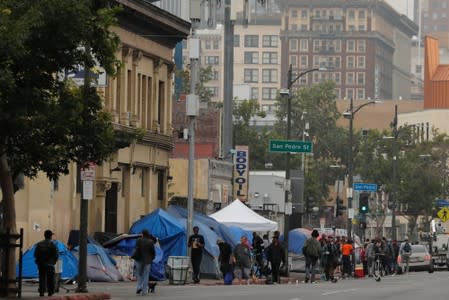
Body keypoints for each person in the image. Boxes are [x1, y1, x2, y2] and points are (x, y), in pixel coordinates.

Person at [34, 230, 59, 297]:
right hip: (50, 264)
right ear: (50, 236)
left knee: (42, 278)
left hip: (41, 264)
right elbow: (56, 255)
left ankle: (41, 292)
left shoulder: (39, 244)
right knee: (50, 278)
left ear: (44, 236)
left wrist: (39, 261)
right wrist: (54, 262)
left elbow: (36, 254)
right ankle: (50, 292)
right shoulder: (53, 244)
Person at [133, 229, 155, 295]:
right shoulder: (151, 242)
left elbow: (136, 249)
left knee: (139, 274)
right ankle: (144, 291)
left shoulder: (138, 240)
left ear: (142, 234)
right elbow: (153, 252)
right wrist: (152, 258)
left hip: (139, 259)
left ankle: (139, 287)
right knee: (146, 275)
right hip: (147, 261)